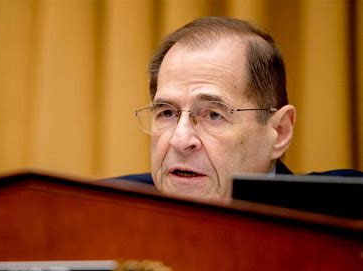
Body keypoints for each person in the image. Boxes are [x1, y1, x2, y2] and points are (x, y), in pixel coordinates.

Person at [117, 16, 362, 200]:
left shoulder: (345, 216)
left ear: (280, 131)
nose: (180, 140)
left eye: (213, 115)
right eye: (167, 113)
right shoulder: (105, 211)